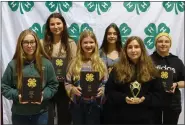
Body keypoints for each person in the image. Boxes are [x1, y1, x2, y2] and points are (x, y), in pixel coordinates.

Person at [1, 29, 59, 125]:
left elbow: (53, 85)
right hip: (19, 114)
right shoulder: (13, 65)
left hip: (41, 113)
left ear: (37, 43)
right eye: (26, 42)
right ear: (21, 44)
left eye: (32, 42)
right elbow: (4, 86)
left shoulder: (46, 64)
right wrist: (17, 95)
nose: (29, 45)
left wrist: (43, 95)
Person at [105, 36, 162, 124]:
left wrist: (145, 99)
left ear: (142, 49)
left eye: (136, 47)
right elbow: (109, 92)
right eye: (130, 47)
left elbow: (158, 94)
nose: (133, 50)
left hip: (146, 118)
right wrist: (124, 98)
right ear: (125, 50)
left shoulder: (152, 70)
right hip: (122, 118)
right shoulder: (117, 69)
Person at [65, 30, 108, 124]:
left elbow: (106, 83)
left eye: (91, 42)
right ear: (80, 44)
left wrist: (103, 90)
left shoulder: (101, 63)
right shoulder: (73, 63)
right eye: (85, 42)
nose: (88, 45)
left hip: (95, 105)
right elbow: (67, 82)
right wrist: (72, 89)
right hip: (77, 104)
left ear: (95, 44)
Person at [42, 12, 77, 125]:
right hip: (47, 85)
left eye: (58, 23)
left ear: (64, 25)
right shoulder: (42, 43)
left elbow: (74, 65)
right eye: (52, 24)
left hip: (64, 86)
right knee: (48, 118)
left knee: (64, 118)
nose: (56, 27)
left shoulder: (70, 43)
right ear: (48, 27)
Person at [151, 32, 185, 124]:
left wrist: (176, 84)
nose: (163, 44)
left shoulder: (177, 61)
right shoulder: (148, 60)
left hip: (172, 103)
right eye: (160, 41)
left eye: (166, 41)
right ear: (155, 43)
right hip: (152, 102)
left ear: (170, 44)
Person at [99, 23, 122, 123]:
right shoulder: (99, 52)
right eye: (109, 33)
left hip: (119, 92)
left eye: (114, 33)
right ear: (105, 35)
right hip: (102, 92)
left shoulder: (124, 52)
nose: (112, 36)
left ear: (118, 36)